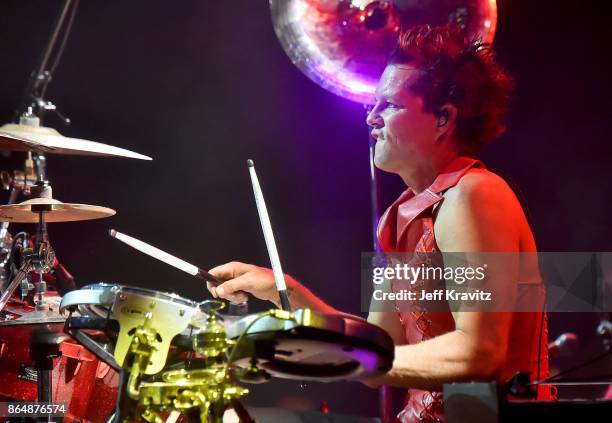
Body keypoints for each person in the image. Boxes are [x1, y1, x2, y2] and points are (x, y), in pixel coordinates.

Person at [208, 25, 553, 422]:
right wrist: (282, 289)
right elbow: (380, 344)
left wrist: (335, 358)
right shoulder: (399, 214)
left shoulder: (473, 195)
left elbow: (478, 353)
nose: (371, 118)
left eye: (389, 105)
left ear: (443, 118)